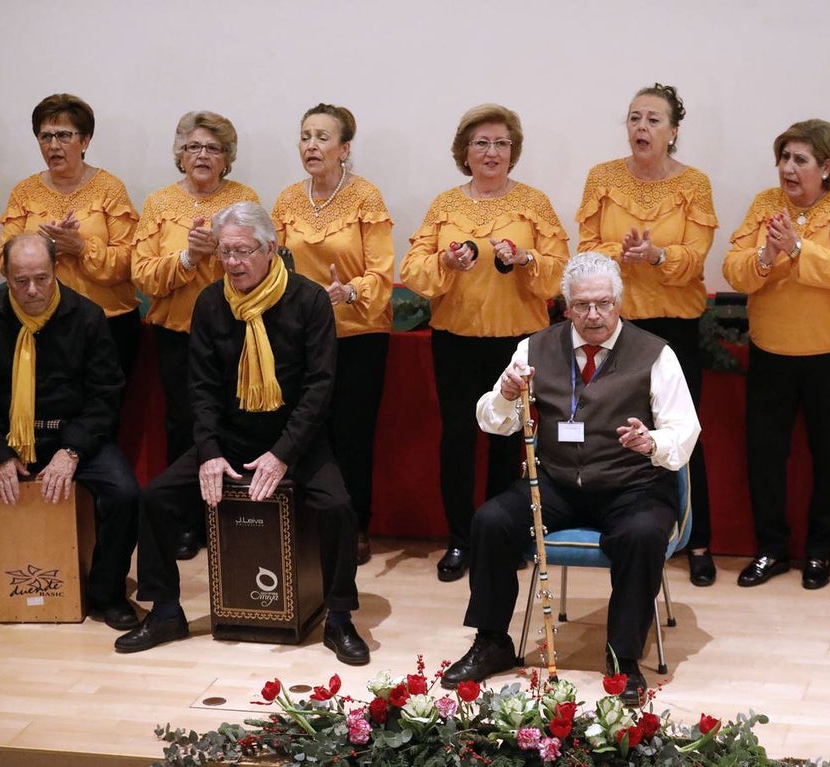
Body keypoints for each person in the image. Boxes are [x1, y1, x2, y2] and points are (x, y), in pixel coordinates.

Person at [439, 251, 699, 705]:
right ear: (566, 306)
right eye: (582, 305)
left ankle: (623, 658)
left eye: (603, 304)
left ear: (619, 302)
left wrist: (651, 442)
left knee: (641, 535)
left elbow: (684, 430)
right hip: (556, 483)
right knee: (491, 521)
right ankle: (492, 640)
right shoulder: (534, 348)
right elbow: (493, 421)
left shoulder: (656, 353)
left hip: (632, 485)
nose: (593, 315)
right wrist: (506, 394)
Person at [115, 202, 370, 665]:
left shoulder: (309, 299)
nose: (232, 262)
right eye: (225, 252)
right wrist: (209, 451)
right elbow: (201, 388)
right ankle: (166, 611)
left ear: (270, 249)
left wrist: (283, 453)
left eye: (243, 251)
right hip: (231, 437)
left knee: (336, 506)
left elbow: (319, 389)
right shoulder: (211, 302)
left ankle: (338, 618)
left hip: (295, 439)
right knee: (155, 498)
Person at [0, 233, 139, 634]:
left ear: (55, 270)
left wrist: (72, 451)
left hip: (71, 439)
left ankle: (107, 593)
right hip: (5, 440)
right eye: (21, 281)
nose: (32, 290)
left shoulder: (87, 316)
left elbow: (105, 396)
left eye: (41, 278)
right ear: (5, 274)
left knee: (125, 494)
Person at [400, 103, 569, 582]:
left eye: (501, 143)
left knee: (511, 440)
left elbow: (559, 271)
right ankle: (460, 539)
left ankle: (503, 537)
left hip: (517, 342)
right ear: (465, 152)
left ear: (513, 151)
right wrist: (445, 264)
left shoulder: (533, 203)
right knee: (458, 439)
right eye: (481, 143)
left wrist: (526, 258)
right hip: (455, 340)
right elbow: (412, 270)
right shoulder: (445, 205)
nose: (491, 152)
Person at [576, 82, 718, 587]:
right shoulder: (602, 177)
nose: (641, 127)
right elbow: (587, 249)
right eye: (635, 118)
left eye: (654, 120)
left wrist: (657, 256)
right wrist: (623, 253)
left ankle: (696, 541)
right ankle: (622, 531)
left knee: (681, 431)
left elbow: (695, 259)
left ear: (673, 131)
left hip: (673, 325)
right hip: (615, 325)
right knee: (617, 429)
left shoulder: (694, 184)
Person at [721, 119, 830, 591]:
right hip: (772, 351)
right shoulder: (765, 205)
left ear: (826, 166)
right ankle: (772, 549)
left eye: (799, 159)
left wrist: (798, 246)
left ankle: (821, 553)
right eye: (784, 157)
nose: (788, 167)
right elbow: (734, 269)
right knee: (765, 455)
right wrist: (767, 256)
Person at [131, 111, 259, 560]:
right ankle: (186, 520)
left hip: (237, 332)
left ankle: (233, 518)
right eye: (193, 147)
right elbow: (143, 275)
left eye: (213, 148)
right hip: (177, 334)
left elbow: (262, 262)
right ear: (180, 155)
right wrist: (187, 258)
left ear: (227, 157)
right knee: (184, 425)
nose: (202, 155)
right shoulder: (159, 203)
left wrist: (220, 254)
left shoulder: (244, 199)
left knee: (235, 424)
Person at [272, 103, 394, 566]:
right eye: (305, 136)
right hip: (302, 334)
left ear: (344, 149)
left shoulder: (366, 197)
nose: (311, 145)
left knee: (352, 433)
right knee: (304, 428)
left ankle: (354, 525)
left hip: (358, 334)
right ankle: (306, 522)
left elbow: (382, 272)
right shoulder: (287, 199)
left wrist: (349, 292)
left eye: (323, 137)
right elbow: (275, 264)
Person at [0, 93, 142, 388]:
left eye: (64, 135)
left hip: (107, 322)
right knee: (48, 404)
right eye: (45, 136)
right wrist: (44, 247)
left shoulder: (110, 188)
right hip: (39, 319)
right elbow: (4, 258)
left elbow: (129, 260)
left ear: (85, 141)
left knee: (104, 406)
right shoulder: (24, 192)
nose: (53, 145)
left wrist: (80, 247)